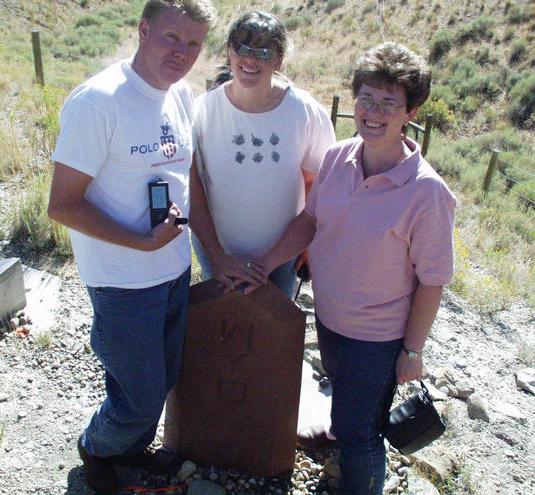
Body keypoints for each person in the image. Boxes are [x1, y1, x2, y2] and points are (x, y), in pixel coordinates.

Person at [249, 42, 456, 495]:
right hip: (330, 318)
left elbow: (432, 280)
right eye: (365, 98)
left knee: (362, 433)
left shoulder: (426, 193)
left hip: (378, 336)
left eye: (388, 103)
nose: (372, 112)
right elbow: (309, 221)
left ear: (411, 112)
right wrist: (265, 264)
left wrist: (413, 352)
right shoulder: (338, 158)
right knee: (346, 401)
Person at [47, 1, 215, 493]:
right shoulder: (98, 101)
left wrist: (211, 252)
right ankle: (97, 448)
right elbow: (62, 204)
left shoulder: (180, 96)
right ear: (143, 30)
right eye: (171, 38)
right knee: (141, 395)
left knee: (157, 381)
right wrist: (140, 243)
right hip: (122, 280)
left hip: (173, 269)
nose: (182, 53)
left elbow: (188, 181)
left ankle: (130, 448)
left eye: (194, 44)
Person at [189, 10, 335, 297]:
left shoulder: (304, 111)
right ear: (229, 51)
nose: (250, 59)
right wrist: (217, 255)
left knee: (271, 334)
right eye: (241, 48)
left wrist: (301, 247)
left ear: (279, 59)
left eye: (263, 52)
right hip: (217, 251)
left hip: (282, 255)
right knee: (222, 329)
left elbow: (317, 188)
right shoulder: (202, 110)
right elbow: (192, 186)